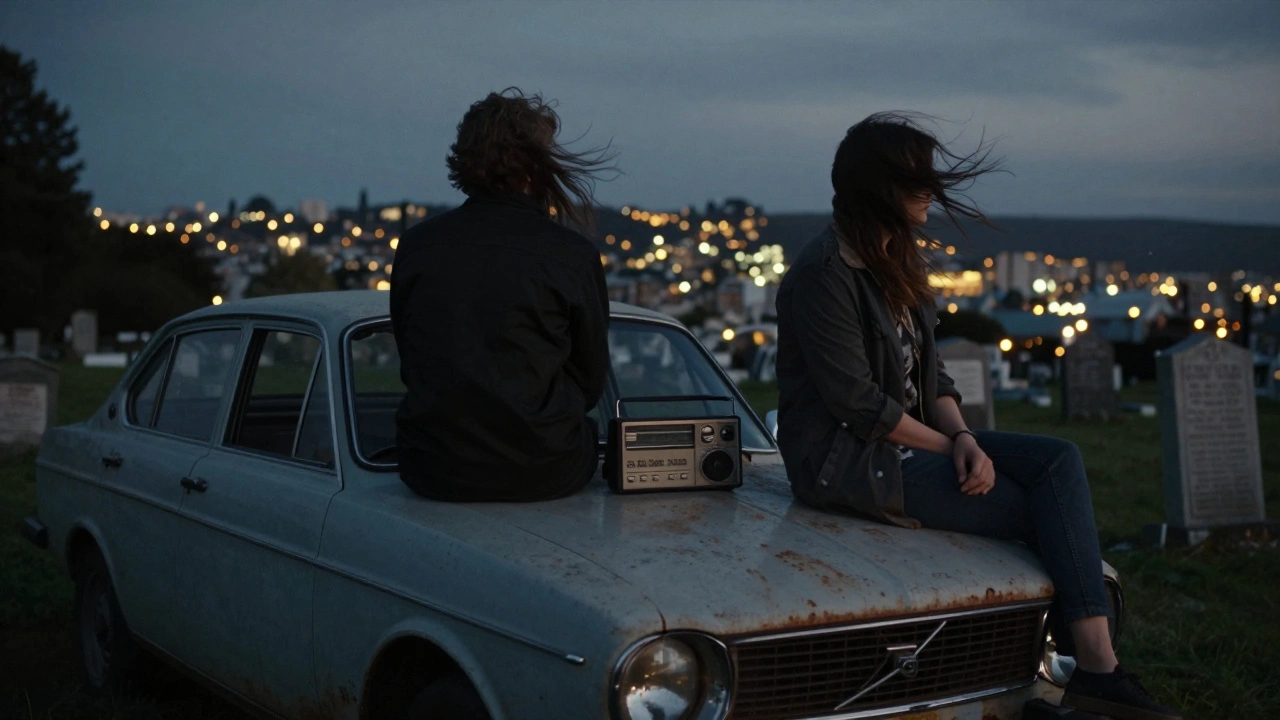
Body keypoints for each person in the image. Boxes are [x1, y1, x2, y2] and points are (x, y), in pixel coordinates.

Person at [774, 112, 1181, 720]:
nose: (930, 192)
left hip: (909, 444)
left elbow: (933, 378)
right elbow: (858, 403)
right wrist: (950, 450)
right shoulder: (824, 273)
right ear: (880, 187)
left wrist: (962, 436)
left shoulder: (898, 260)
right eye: (917, 180)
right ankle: (1092, 671)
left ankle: (1090, 673)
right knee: (1042, 510)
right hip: (848, 462)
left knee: (1058, 461)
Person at [390, 88, 613, 502]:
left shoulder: (416, 246)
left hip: (433, 469)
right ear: (534, 167)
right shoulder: (571, 255)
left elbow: (411, 356)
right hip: (546, 470)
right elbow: (589, 380)